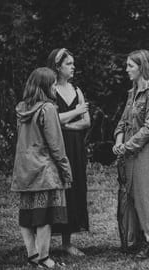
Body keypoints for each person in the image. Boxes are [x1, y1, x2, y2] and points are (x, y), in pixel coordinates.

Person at [11, 67, 72, 268]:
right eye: (53, 84)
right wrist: (65, 169)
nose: (55, 87)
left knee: (27, 215)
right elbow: (56, 145)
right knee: (44, 216)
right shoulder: (48, 109)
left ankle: (33, 255)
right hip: (44, 170)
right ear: (46, 86)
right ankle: (45, 258)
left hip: (24, 170)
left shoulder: (21, 108)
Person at [114, 49, 149, 259]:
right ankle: (134, 239)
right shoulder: (132, 93)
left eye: (130, 66)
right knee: (130, 194)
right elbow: (123, 121)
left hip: (145, 151)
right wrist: (118, 140)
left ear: (141, 67)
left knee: (145, 194)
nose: (126, 70)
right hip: (128, 149)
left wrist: (126, 146)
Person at [47, 48, 90, 257]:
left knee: (74, 188)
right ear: (57, 66)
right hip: (57, 147)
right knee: (56, 190)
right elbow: (51, 118)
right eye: (69, 64)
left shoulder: (77, 89)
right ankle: (44, 240)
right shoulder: (50, 91)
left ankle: (67, 241)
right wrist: (75, 113)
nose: (73, 67)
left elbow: (87, 121)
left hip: (75, 146)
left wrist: (67, 124)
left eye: (73, 63)